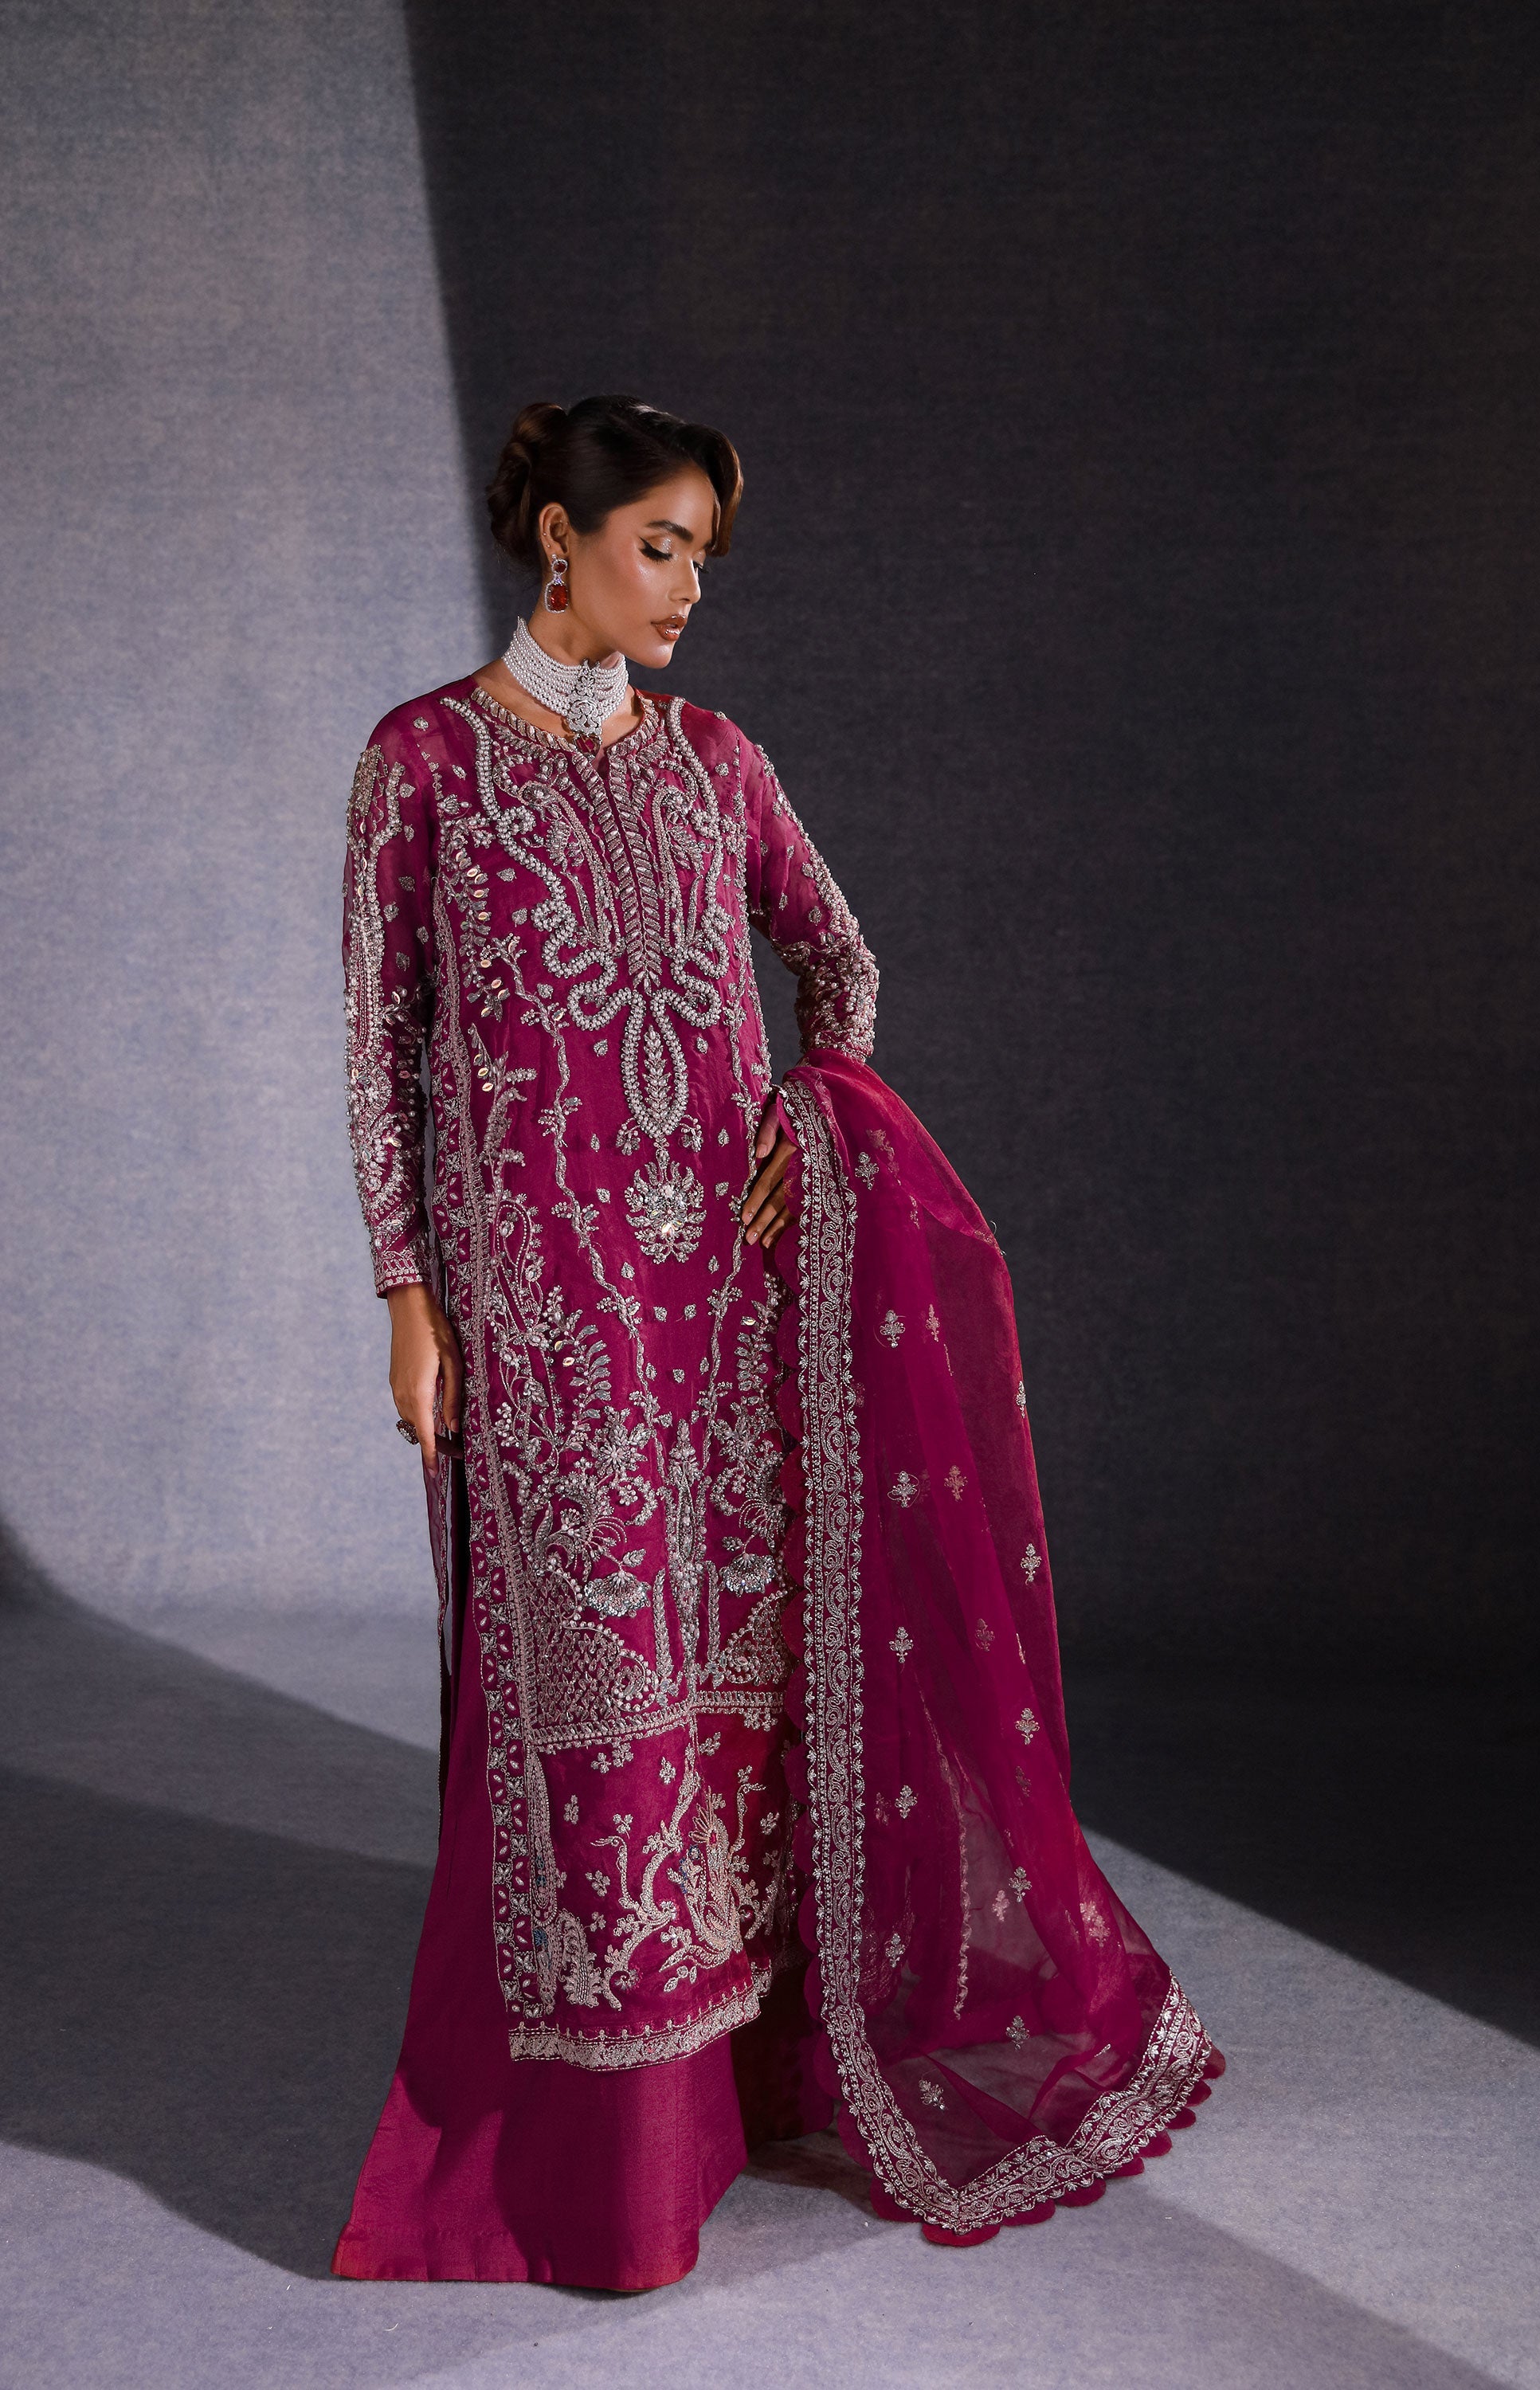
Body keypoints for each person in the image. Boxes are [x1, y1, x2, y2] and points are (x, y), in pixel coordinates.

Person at [332, 394, 1221, 2292]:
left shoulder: (717, 762)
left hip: (725, 1329)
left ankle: (757, 2081)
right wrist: (407, 1291)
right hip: (544, 1322)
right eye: (658, 548)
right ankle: (608, 2169)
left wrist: (811, 1127)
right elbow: (377, 1039)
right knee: (585, 1694)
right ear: (558, 539)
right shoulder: (422, 763)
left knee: (741, 1694)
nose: (685, 592)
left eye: (702, 561)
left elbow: (842, 958)